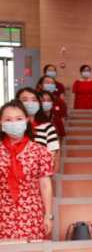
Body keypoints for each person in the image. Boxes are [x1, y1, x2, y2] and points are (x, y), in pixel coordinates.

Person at [0, 101, 54, 240]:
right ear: (1, 123)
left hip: (31, 212)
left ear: (26, 120)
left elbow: (45, 186)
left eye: (18, 118)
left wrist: (48, 216)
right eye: (8, 119)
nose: (14, 123)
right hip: (3, 211)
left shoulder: (40, 151)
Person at [17, 88, 61, 174]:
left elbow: (51, 156)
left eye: (34, 100)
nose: (30, 103)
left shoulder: (48, 128)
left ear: (39, 104)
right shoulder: (12, 128)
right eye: (25, 100)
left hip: (38, 175)